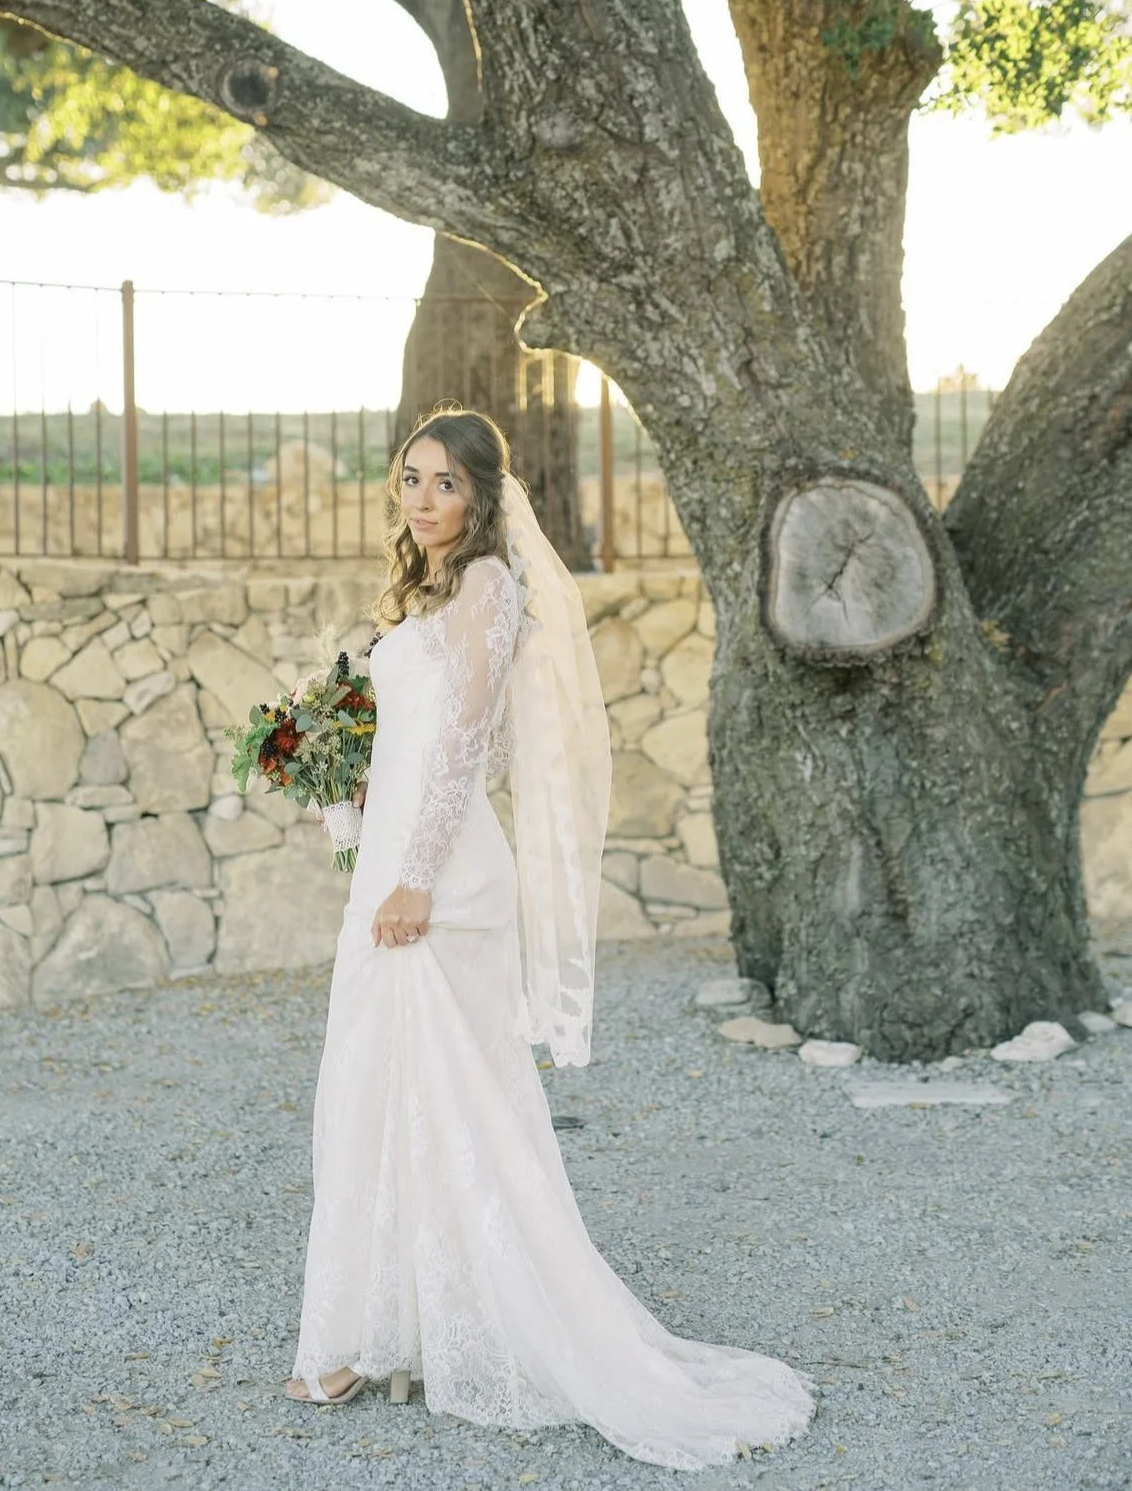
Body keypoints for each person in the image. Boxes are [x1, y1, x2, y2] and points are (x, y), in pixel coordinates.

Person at [284, 406, 817, 1471]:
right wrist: (333, 785)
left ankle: (407, 1336)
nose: (423, 499)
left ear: (482, 497)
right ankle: (383, 1327)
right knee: (375, 1089)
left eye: (443, 483)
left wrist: (414, 880)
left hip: (437, 883)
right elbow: (402, 745)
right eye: (410, 479)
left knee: (454, 1101)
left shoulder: (487, 587)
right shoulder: (422, 590)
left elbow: (464, 749)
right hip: (391, 868)